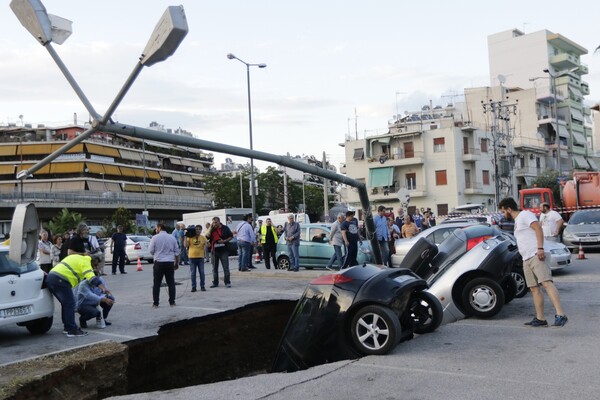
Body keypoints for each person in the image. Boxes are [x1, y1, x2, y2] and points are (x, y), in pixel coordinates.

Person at [498, 197, 567, 327]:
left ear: (509, 209)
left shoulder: (525, 215)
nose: (503, 214)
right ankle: (540, 319)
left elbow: (538, 229)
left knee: (546, 283)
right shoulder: (518, 220)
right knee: (534, 288)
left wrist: (540, 248)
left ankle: (561, 315)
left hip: (537, 254)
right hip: (526, 258)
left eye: (503, 211)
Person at [46, 252, 110, 337]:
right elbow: (91, 278)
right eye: (95, 265)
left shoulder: (78, 258)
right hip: (60, 280)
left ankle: (67, 327)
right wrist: (103, 288)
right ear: (92, 260)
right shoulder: (86, 262)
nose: (95, 268)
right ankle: (71, 329)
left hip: (52, 278)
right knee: (69, 304)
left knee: (66, 304)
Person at [149, 223, 180, 308]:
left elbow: (151, 250)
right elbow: (177, 252)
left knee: (156, 284)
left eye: (156, 228)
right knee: (171, 283)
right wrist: (176, 263)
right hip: (170, 262)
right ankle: (172, 302)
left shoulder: (155, 237)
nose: (156, 230)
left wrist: (157, 253)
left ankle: (156, 303)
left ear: (159, 228)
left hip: (159, 262)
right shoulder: (172, 237)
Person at [206, 217, 234, 288]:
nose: (214, 224)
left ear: (219, 222)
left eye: (216, 222)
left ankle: (227, 282)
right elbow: (207, 236)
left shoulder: (225, 228)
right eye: (213, 222)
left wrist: (224, 241)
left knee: (226, 267)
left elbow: (231, 236)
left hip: (224, 250)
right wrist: (210, 228)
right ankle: (215, 282)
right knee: (214, 268)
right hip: (214, 250)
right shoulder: (212, 229)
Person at [184, 225, 207, 292]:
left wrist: (207, 243)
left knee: (202, 272)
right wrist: (186, 236)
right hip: (192, 257)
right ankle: (194, 287)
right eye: (196, 229)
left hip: (200, 257)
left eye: (199, 229)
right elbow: (185, 245)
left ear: (201, 230)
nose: (198, 230)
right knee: (193, 273)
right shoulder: (190, 237)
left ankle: (202, 286)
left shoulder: (203, 237)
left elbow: (207, 245)